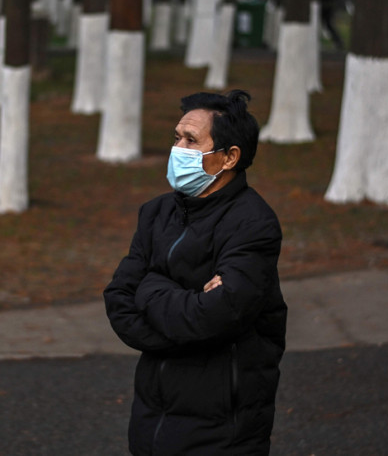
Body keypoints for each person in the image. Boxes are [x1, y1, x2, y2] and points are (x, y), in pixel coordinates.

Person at [104, 90, 287, 455]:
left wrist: (151, 290)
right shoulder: (156, 214)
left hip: (221, 430)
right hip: (151, 421)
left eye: (191, 140)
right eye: (177, 137)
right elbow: (119, 301)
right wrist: (185, 310)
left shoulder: (252, 223)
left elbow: (217, 315)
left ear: (230, 156)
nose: (178, 148)